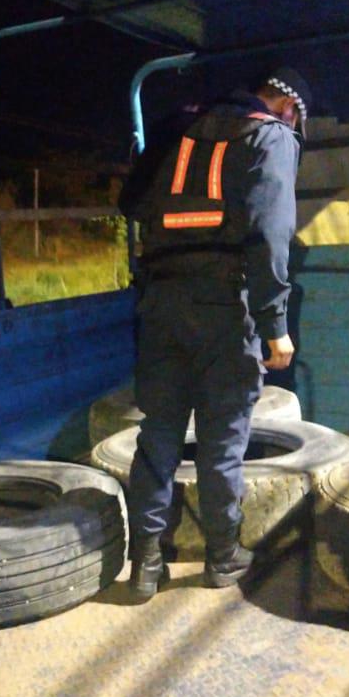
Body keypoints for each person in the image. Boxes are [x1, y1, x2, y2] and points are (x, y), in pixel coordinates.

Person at [117, 66, 309, 598]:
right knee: (222, 439)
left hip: (161, 303)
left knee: (158, 434)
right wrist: (275, 325)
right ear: (287, 106)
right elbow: (271, 234)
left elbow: (130, 203)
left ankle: (145, 565)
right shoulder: (270, 136)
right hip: (225, 308)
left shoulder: (176, 127)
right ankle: (223, 556)